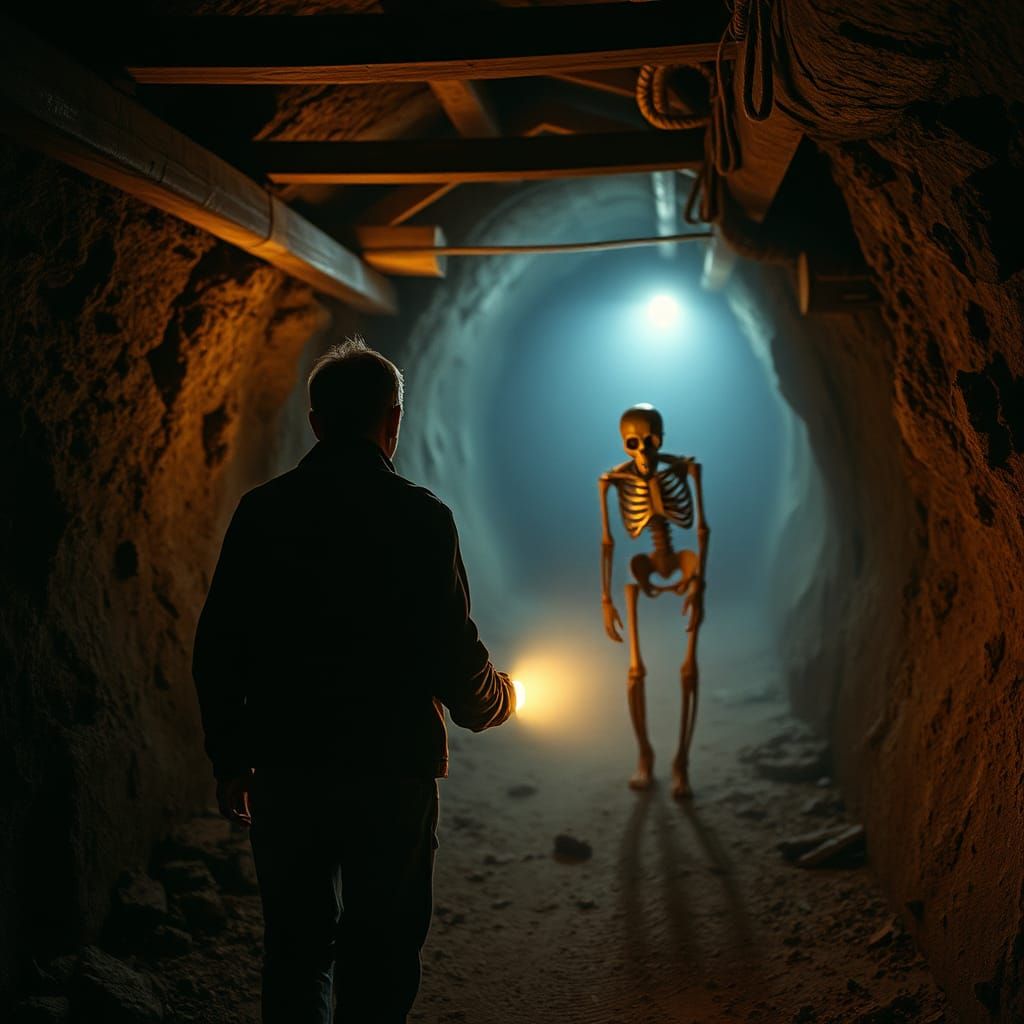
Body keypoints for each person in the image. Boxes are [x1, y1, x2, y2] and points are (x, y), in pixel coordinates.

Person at [192, 336, 515, 1024]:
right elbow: (453, 652)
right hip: (391, 773)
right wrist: (495, 701)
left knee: (297, 949)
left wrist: (231, 754)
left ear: (315, 422)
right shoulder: (423, 518)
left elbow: (219, 644)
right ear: (392, 421)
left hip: (287, 765)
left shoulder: (262, 511)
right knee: (382, 948)